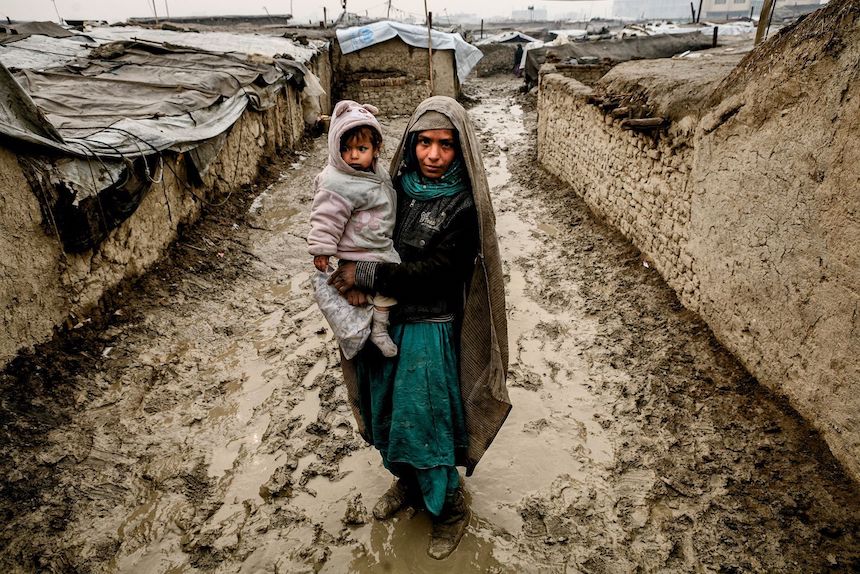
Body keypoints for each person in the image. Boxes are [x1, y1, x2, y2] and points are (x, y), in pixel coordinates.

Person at [328, 96, 511, 559]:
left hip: (429, 329)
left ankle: (449, 509)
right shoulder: (392, 187)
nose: (433, 155)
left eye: (445, 146)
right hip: (383, 321)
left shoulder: (463, 208)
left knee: (425, 421)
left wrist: (366, 275)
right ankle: (407, 484)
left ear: (460, 151)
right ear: (409, 146)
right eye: (424, 143)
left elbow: (439, 272)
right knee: (387, 412)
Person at [307, 100, 400, 357]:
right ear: (336, 148)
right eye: (346, 149)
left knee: (386, 291)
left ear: (376, 148)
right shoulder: (337, 182)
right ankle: (365, 334)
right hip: (357, 252)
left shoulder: (377, 172)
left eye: (362, 148)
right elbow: (326, 217)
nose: (353, 156)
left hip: (377, 245)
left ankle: (379, 329)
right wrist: (322, 250)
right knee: (367, 292)